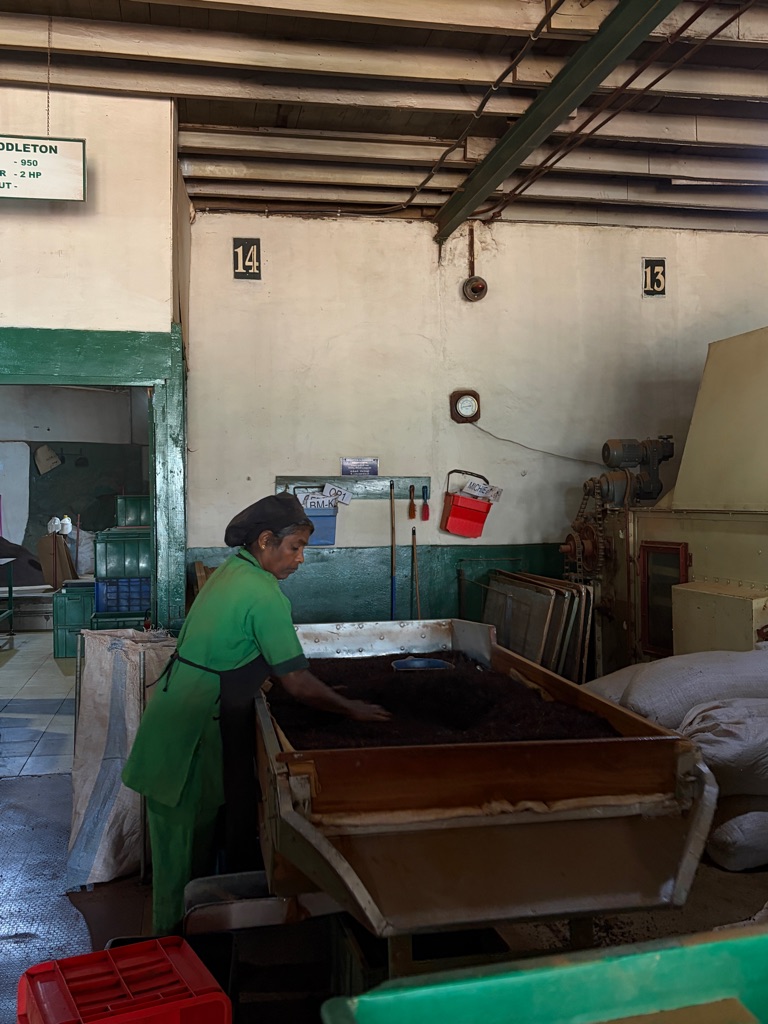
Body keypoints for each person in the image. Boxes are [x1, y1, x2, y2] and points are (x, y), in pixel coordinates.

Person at [122, 491, 389, 934]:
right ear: (266, 540)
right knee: (178, 863)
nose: (300, 559)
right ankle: (170, 950)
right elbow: (297, 681)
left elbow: (239, 650)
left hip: (187, 717)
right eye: (295, 547)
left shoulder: (231, 571)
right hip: (187, 735)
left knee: (191, 853)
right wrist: (351, 708)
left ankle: (192, 941)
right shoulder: (264, 594)